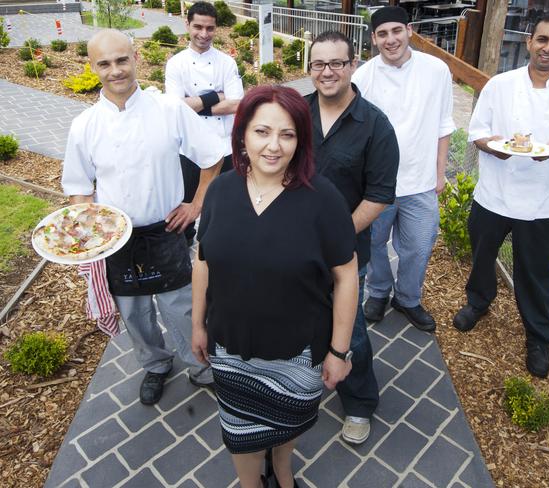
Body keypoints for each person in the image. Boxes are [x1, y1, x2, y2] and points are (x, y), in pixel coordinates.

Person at [191, 85, 359, 488]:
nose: (274, 146)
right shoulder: (220, 191)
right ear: (242, 135)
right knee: (240, 430)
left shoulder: (323, 199)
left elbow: (347, 274)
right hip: (232, 347)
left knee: (288, 423)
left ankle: (283, 472)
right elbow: (202, 259)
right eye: (262, 132)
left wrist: (339, 350)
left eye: (287, 134)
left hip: (298, 353)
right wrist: (198, 323)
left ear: (301, 140)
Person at [61, 29, 224, 405]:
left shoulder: (169, 109)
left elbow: (213, 156)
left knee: (181, 308)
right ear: (93, 67)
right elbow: (79, 187)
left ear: (135, 58)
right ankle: (155, 365)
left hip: (166, 230)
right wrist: (84, 231)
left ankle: (200, 367)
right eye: (105, 63)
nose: (115, 70)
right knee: (134, 314)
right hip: (115, 239)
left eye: (122, 60)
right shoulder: (84, 125)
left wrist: (196, 203)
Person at [452, 12, 549, 378]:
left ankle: (538, 336)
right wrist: (494, 147)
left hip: (543, 202)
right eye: (542, 39)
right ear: (528, 42)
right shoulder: (500, 85)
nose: (547, 48)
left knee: (535, 273)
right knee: (483, 257)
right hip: (494, 195)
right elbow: (479, 132)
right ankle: (479, 302)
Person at [305, 31, 399, 445]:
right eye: (318, 64)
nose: (327, 72)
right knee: (302, 317)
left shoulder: (375, 125)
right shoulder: (296, 114)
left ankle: (359, 403)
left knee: (350, 327)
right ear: (309, 70)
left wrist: (335, 236)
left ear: (352, 65)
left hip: (344, 251)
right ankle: (305, 381)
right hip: (294, 247)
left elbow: (379, 196)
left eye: (336, 63)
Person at [352, 6, 455, 332]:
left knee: (419, 247)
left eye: (396, 31)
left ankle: (408, 298)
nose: (390, 39)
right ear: (374, 38)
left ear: (409, 30)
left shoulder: (436, 70)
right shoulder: (362, 77)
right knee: (373, 244)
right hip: (377, 187)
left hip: (421, 183)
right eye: (382, 34)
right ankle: (379, 291)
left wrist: (440, 174)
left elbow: (443, 124)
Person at [165, 0, 244, 244]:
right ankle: (184, 248)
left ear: (216, 28)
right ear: (187, 24)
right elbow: (174, 108)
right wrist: (215, 96)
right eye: (198, 27)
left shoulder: (226, 63)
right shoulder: (176, 63)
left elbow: (237, 104)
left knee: (227, 206)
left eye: (209, 28)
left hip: (225, 146)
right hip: (189, 150)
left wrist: (193, 106)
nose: (204, 34)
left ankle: (223, 249)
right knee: (186, 205)